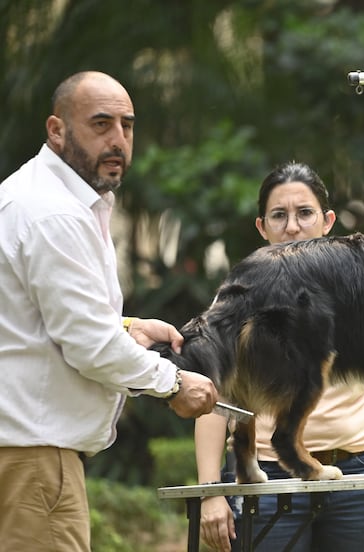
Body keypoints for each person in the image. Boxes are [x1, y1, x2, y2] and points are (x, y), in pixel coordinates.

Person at [0, 71, 219, 551]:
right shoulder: (52, 212)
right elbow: (89, 346)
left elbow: (36, 318)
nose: (118, 140)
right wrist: (173, 384)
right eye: (101, 124)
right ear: (57, 130)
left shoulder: (40, 197)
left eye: (127, 125)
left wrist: (128, 326)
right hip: (35, 459)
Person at [195, 161, 364, 551]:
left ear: (327, 220)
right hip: (269, 479)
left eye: (305, 213)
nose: (292, 226)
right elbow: (213, 397)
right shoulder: (238, 294)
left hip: (359, 475)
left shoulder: (360, 290)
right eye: (279, 216)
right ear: (261, 227)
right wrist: (210, 492)